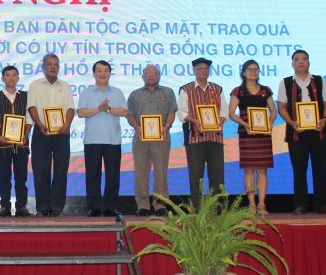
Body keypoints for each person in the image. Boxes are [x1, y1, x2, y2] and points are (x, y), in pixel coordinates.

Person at [277, 50, 326, 215]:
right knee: (299, 170)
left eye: (304, 59)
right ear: (292, 64)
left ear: (309, 62)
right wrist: (291, 122)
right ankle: (301, 204)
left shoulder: (320, 80)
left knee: (320, 169)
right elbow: (281, 107)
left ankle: (321, 204)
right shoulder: (285, 83)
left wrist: (324, 119)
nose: (301, 62)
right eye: (297, 59)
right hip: (296, 132)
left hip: (319, 131)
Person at [27, 53, 75, 217]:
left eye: (55, 65)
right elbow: (31, 107)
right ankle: (42, 207)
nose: (52, 67)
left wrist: (67, 125)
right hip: (42, 131)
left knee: (61, 170)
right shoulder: (35, 85)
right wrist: (39, 124)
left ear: (59, 68)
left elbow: (70, 108)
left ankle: (57, 207)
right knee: (41, 170)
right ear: (43, 67)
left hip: (62, 132)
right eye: (49, 64)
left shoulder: (66, 86)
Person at [78, 60, 127, 217]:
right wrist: (99, 109)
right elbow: (80, 113)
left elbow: (124, 111)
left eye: (106, 71)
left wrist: (109, 109)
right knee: (92, 175)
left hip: (113, 140)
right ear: (94, 74)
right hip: (92, 140)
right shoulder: (86, 92)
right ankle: (94, 207)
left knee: (113, 175)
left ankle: (110, 207)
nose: (102, 74)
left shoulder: (117, 92)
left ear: (110, 73)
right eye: (99, 71)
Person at [126, 65, 177, 217]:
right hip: (141, 138)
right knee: (141, 172)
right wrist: (136, 126)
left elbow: (172, 112)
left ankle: (160, 205)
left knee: (161, 172)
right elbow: (129, 115)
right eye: (147, 73)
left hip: (162, 137)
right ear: (142, 76)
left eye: (155, 73)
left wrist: (167, 126)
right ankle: (143, 206)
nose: (151, 75)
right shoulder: (134, 95)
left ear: (159, 76)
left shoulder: (168, 92)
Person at [228, 60, 277, 215]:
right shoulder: (238, 91)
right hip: (246, 134)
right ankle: (251, 204)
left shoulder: (266, 90)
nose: (253, 72)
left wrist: (269, 122)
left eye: (256, 69)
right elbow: (231, 113)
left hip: (263, 135)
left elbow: (273, 111)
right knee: (249, 169)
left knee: (262, 170)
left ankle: (262, 204)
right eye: (250, 69)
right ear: (243, 72)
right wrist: (245, 124)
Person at [178, 57, 228, 210]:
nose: (203, 71)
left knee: (217, 175)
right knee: (196, 175)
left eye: (206, 68)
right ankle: (197, 209)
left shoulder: (217, 89)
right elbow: (182, 113)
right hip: (195, 138)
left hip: (215, 137)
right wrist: (195, 120)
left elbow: (224, 111)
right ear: (194, 70)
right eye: (200, 68)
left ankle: (217, 208)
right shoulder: (186, 89)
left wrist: (221, 119)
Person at [0, 66, 33, 217]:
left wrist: (25, 135)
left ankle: (21, 206)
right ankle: (5, 207)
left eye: (14, 75)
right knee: (4, 176)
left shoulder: (26, 96)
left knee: (21, 177)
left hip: (21, 143)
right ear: (2, 78)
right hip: (3, 142)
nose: (11, 78)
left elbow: (29, 119)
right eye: (7, 75)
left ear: (18, 78)